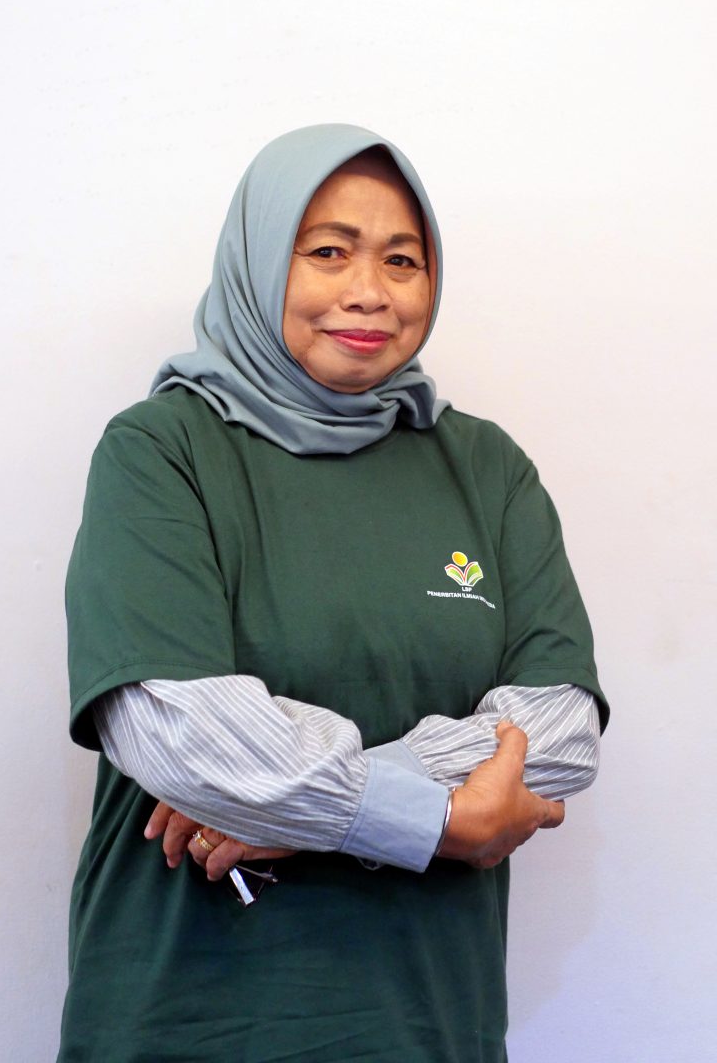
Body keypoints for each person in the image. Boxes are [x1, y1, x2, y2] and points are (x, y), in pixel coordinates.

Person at [59, 124, 608, 1063]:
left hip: (427, 1016)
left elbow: (556, 734)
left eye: (403, 259)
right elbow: (180, 733)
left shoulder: (486, 468)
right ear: (258, 260)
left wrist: (296, 814)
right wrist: (440, 815)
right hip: (187, 1017)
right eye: (326, 252)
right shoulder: (161, 450)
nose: (369, 291)